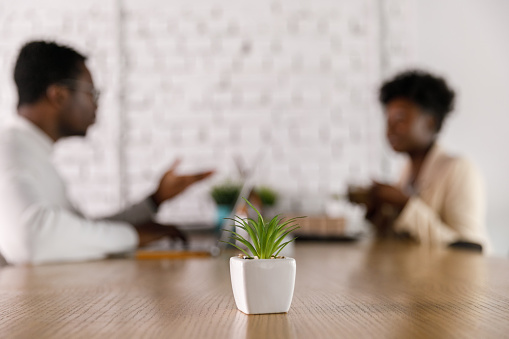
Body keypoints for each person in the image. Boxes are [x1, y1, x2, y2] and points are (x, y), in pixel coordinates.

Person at [0, 41, 213, 265]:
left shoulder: (31, 153)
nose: (96, 105)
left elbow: (83, 233)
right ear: (59, 95)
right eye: (91, 93)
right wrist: (135, 236)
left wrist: (154, 201)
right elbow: (31, 241)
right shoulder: (8, 152)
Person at [349, 70, 489, 251]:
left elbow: (469, 247)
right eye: (388, 120)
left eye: (400, 118)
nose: (390, 128)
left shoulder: (459, 169)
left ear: (430, 122)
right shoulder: (407, 170)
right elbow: (410, 241)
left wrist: (405, 204)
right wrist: (377, 213)